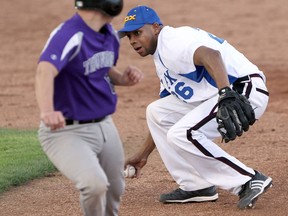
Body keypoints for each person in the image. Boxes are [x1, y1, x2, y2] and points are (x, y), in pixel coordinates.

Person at [118, 5, 272, 210]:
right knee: (157, 112)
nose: (134, 41)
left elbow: (212, 56)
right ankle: (196, 186)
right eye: (129, 37)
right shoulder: (161, 58)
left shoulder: (172, 41)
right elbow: (167, 116)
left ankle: (247, 180)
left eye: (138, 32)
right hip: (222, 92)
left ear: (155, 27)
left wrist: (226, 94)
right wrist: (142, 154)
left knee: (183, 133)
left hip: (242, 90)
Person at [35, 1, 143, 215]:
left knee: (115, 188)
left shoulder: (110, 34)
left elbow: (101, 67)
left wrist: (121, 78)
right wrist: (47, 111)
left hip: (105, 126)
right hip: (65, 131)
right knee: (94, 184)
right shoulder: (69, 34)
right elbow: (44, 70)